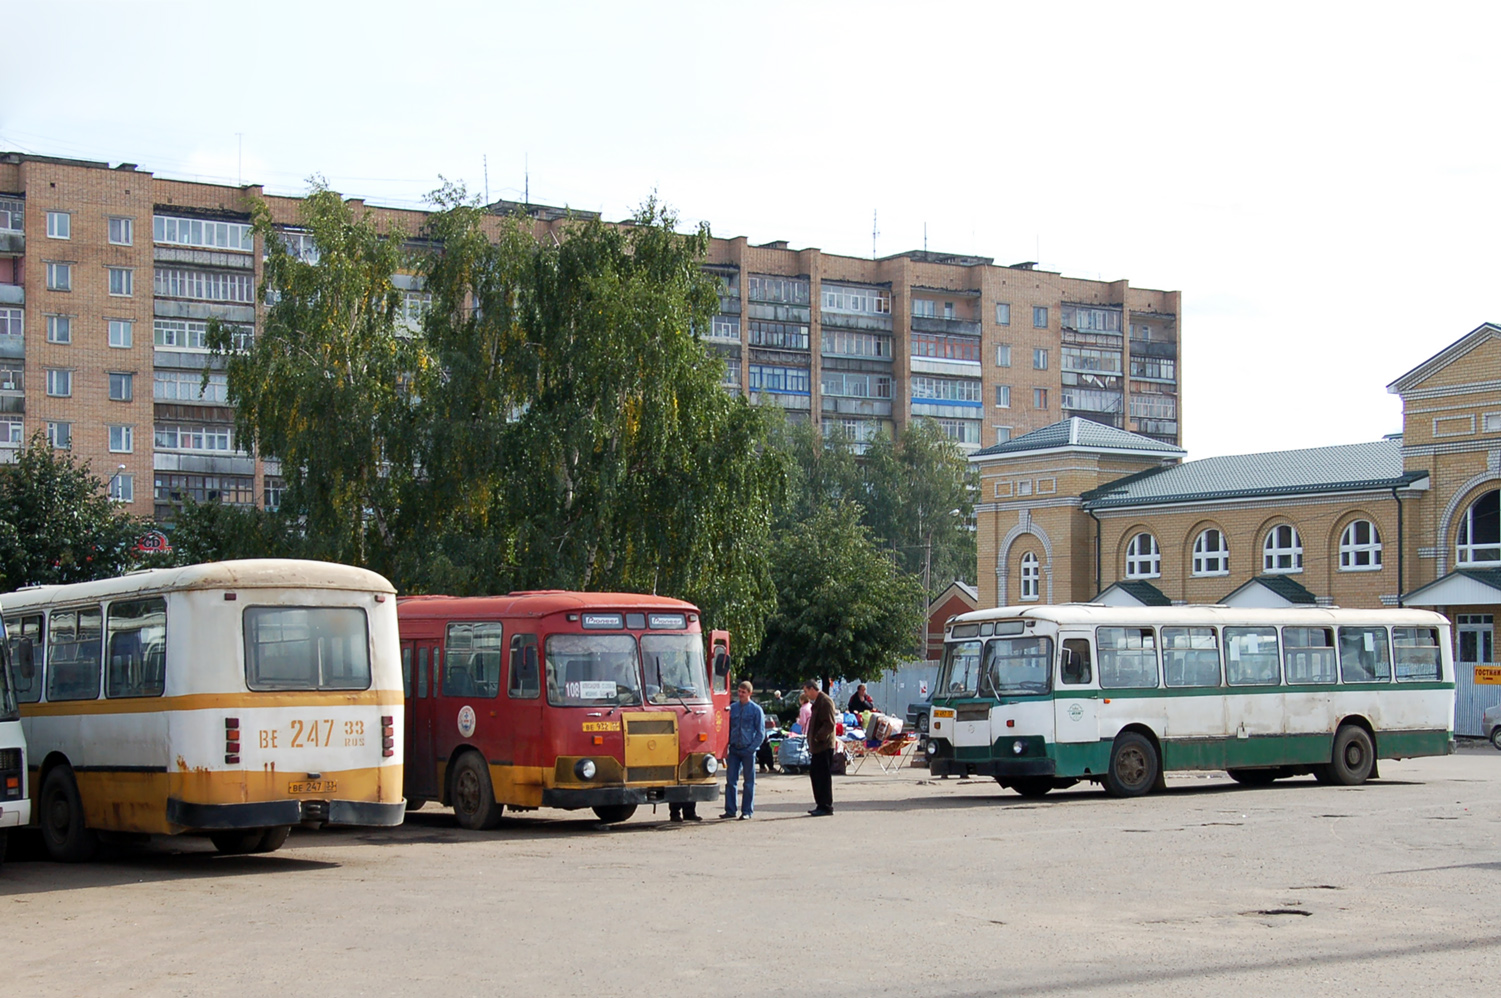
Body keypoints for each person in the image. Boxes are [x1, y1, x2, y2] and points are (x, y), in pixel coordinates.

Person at [721, 681, 764, 819]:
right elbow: (725, 729)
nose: (740, 694)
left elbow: (761, 732)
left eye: (743, 692)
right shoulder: (732, 708)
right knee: (731, 781)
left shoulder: (756, 710)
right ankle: (730, 810)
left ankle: (747, 811)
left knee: (748, 782)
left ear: (749, 693)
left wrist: (751, 748)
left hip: (748, 750)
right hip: (734, 749)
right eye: (739, 691)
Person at [803, 679, 837, 816]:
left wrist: (818, 737)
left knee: (823, 776)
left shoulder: (825, 701)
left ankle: (826, 806)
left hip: (824, 746)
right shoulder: (817, 702)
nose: (806, 695)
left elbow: (829, 724)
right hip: (817, 747)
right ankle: (820, 804)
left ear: (812, 689)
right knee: (816, 775)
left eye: (806, 691)